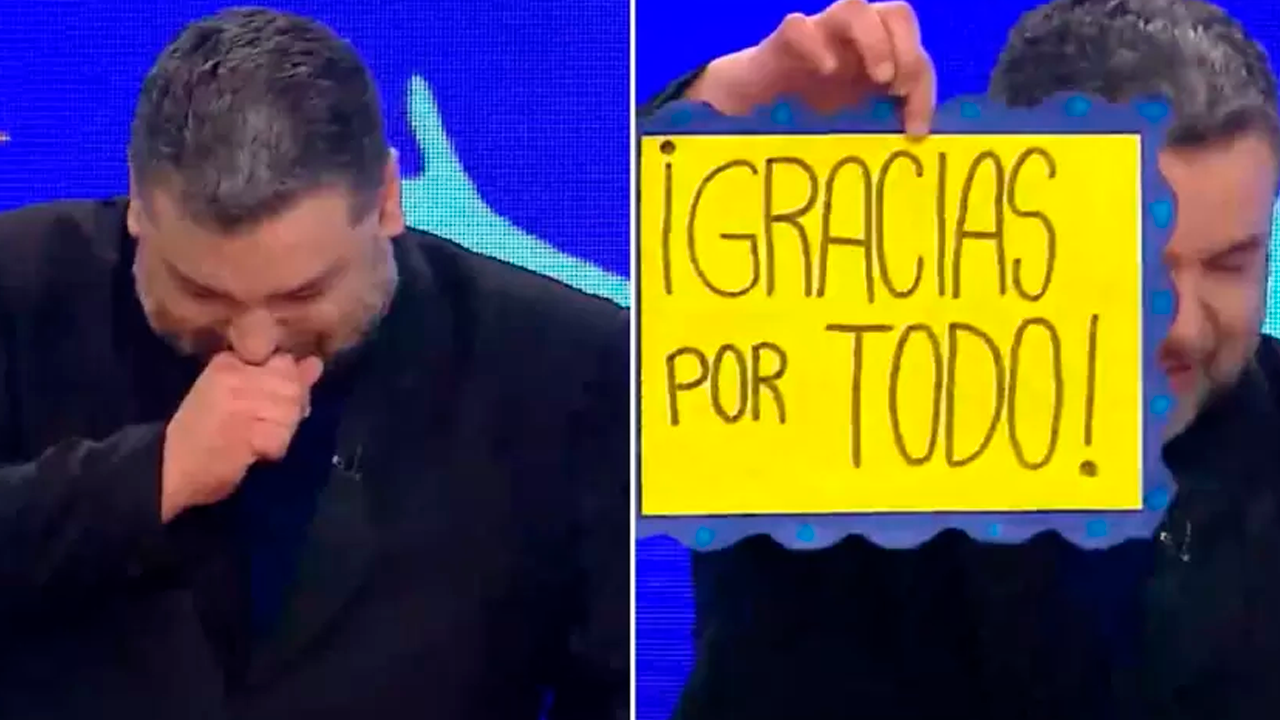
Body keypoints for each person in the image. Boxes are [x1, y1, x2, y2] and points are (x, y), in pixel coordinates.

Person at [646, 1, 1280, 718]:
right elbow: (652, 339)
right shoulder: (832, 404)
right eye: (1133, 263)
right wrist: (722, 123)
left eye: (1230, 264)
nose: (1183, 327)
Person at [0, 8, 627, 720]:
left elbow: (611, 683)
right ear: (139, 207)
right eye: (202, 293)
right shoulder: (19, 287)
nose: (253, 344)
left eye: (302, 295)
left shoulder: (565, 364)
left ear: (387, 200)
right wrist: (150, 477)